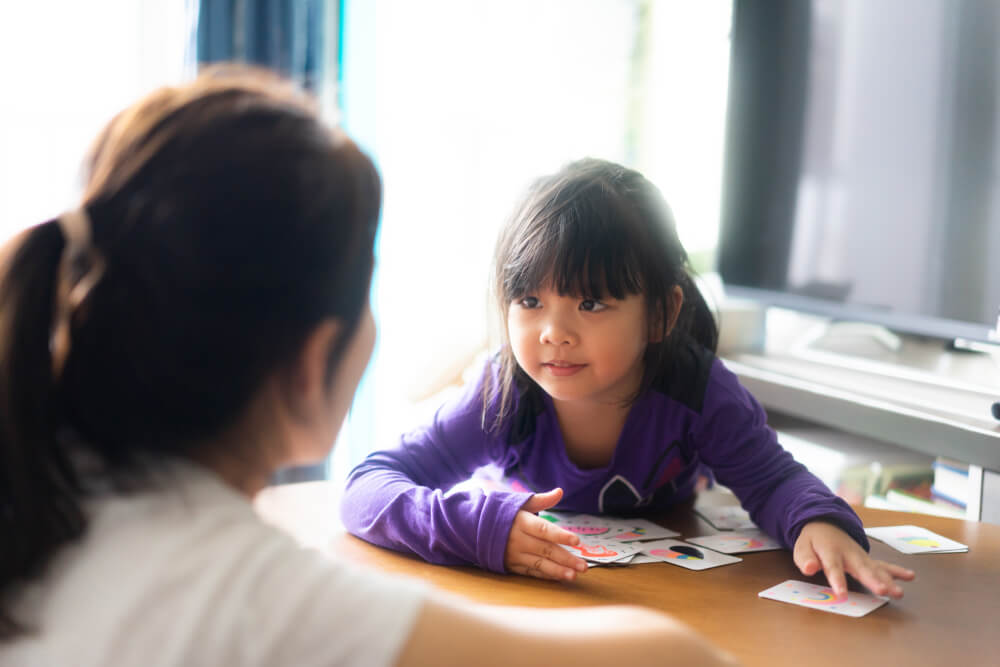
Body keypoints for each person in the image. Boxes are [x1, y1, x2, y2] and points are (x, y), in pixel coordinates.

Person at [0, 68, 736, 667]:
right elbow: (674, 656)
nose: (555, 331)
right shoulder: (265, 603)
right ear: (313, 359)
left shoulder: (44, 486)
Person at [341, 158, 916, 600]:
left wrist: (820, 521)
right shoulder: (503, 392)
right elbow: (367, 488)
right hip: (529, 598)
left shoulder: (698, 390)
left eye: (590, 302)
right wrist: (479, 528)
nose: (553, 332)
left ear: (662, 313)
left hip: (666, 597)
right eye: (529, 299)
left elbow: (773, 481)